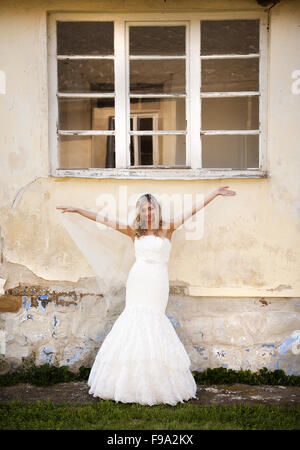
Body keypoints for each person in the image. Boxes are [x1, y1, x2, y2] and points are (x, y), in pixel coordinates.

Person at [56, 186, 236, 406]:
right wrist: (77, 209)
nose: (148, 213)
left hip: (158, 281)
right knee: (133, 320)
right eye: (144, 209)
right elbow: (103, 220)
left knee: (154, 321)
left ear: (156, 210)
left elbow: (193, 210)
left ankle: (156, 382)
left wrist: (215, 194)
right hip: (138, 279)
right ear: (139, 212)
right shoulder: (135, 231)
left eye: (151, 209)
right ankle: (127, 384)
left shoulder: (167, 228)